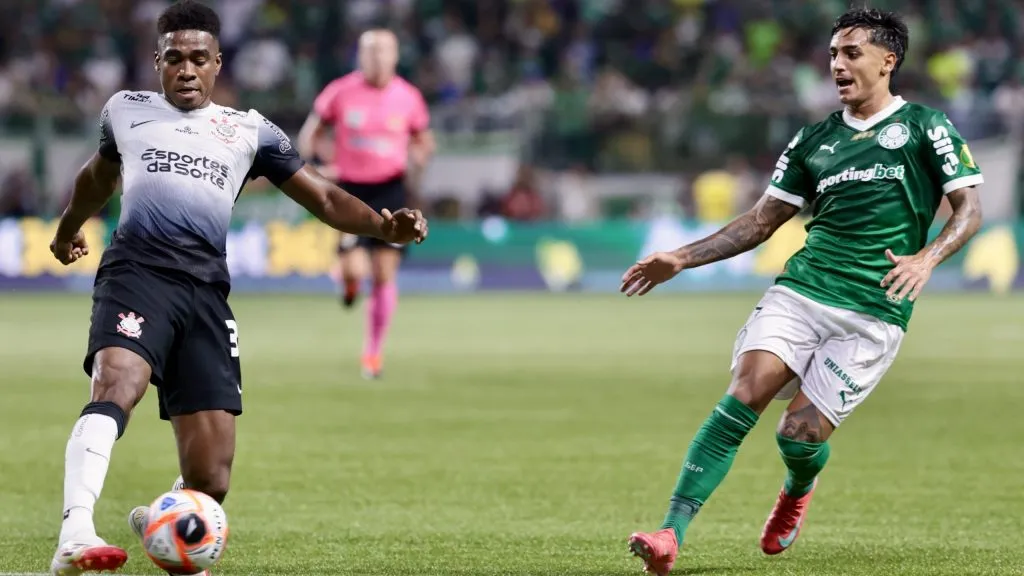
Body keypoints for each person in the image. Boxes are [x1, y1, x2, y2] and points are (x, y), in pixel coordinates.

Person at [48, 2, 428, 575]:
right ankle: (75, 532)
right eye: (174, 58)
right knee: (118, 382)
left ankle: (161, 517)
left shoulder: (250, 130)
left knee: (211, 479)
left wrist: (382, 226)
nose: (186, 69)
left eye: (198, 58)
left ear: (217, 63)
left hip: (205, 292)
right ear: (156, 62)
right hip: (138, 274)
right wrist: (67, 229)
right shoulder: (125, 110)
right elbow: (98, 177)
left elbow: (324, 197)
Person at [620, 8, 983, 575]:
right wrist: (681, 257)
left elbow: (970, 209)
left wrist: (927, 257)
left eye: (851, 53)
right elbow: (760, 221)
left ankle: (797, 486)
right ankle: (670, 533)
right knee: (745, 392)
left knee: (798, 435)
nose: (837, 64)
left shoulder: (924, 126)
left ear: (887, 61)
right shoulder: (814, 140)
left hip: (873, 310)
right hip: (802, 290)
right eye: (833, 53)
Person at [297, 28, 435, 380]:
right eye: (371, 51)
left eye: (384, 50)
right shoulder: (340, 92)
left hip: (391, 190)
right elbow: (310, 136)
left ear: (395, 55)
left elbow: (424, 141)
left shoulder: (409, 97)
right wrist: (324, 164)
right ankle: (348, 284)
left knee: (384, 273)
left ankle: (373, 353)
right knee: (354, 270)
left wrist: (419, 158)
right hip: (351, 191)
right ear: (360, 55)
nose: (377, 57)